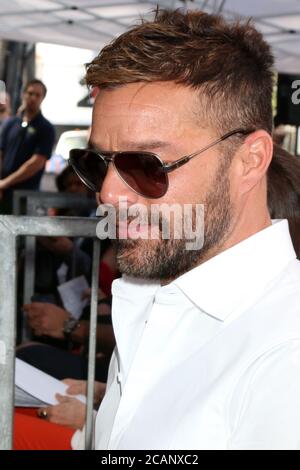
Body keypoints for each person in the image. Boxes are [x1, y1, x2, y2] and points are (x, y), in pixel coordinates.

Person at [69, 9, 300, 450]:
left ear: (249, 160)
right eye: (96, 164)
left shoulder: (287, 357)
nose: (109, 195)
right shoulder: (153, 299)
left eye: (146, 165)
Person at [0, 78, 55, 213]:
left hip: (27, 196)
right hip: (3, 193)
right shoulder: (10, 123)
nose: (33, 98)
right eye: (30, 93)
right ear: (23, 94)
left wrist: (5, 183)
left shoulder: (46, 128)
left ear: (43, 98)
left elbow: (36, 163)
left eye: (37, 95)